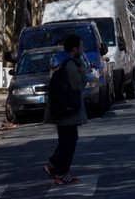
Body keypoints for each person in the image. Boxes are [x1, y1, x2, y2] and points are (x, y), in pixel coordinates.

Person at [44, 33, 87, 186]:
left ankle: (55, 167)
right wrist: (84, 72)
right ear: (75, 49)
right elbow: (78, 85)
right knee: (69, 143)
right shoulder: (70, 64)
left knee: (66, 142)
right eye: (81, 46)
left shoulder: (60, 62)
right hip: (68, 110)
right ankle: (60, 172)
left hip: (61, 109)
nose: (83, 49)